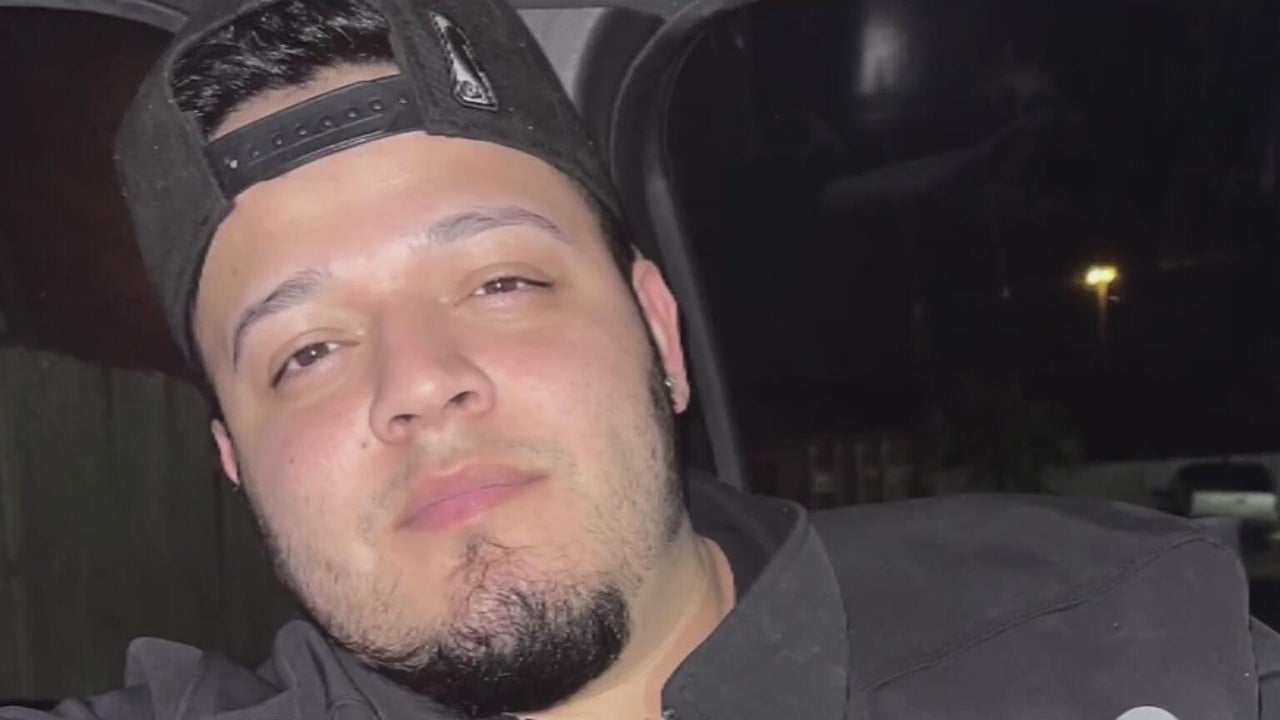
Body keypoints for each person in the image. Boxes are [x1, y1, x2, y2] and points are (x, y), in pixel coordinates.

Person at [3, 0, 1279, 718]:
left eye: (500, 282)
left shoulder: (1121, 646)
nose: (417, 383)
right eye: (307, 351)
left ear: (658, 335)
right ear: (235, 462)